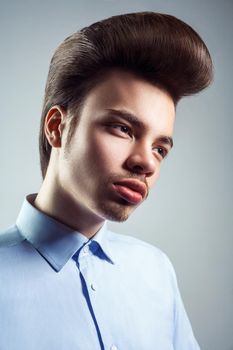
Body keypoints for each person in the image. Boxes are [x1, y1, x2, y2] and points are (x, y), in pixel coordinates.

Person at [0, 12, 212, 350]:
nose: (145, 162)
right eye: (123, 129)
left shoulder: (155, 271)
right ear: (57, 127)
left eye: (160, 148)